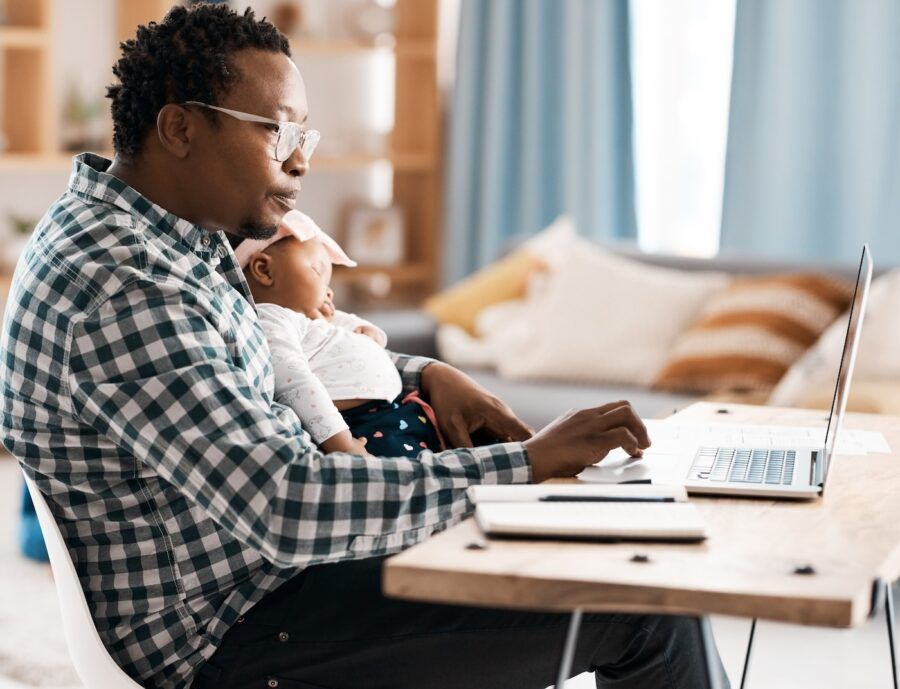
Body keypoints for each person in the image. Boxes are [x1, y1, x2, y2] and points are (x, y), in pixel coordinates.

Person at [0, 5, 729, 689]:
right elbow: (288, 503)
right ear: (180, 128)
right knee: (647, 604)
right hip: (243, 633)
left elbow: (268, 355)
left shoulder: (166, 235)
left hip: (271, 582)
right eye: (276, 131)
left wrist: (424, 371)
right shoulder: (120, 286)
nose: (300, 161)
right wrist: (527, 463)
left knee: (609, 549)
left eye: (303, 137)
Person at [234, 208, 444, 458]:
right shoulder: (272, 319)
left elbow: (357, 327)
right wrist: (341, 444)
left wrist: (367, 333)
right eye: (318, 271)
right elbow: (296, 384)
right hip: (356, 427)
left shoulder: (311, 320)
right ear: (264, 270)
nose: (329, 291)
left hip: (393, 412)